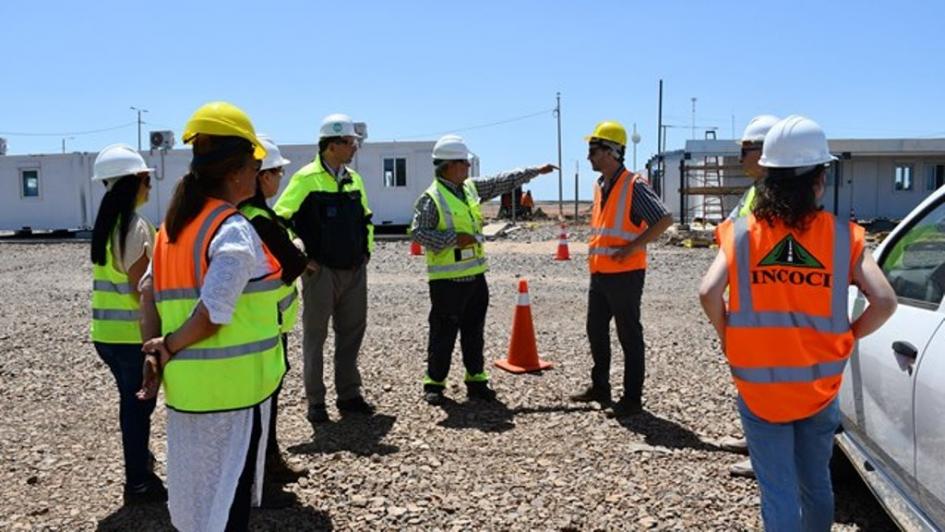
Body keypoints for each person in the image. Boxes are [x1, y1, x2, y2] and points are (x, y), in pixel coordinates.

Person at [699, 115, 897, 530]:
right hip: (818, 386)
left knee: (778, 492)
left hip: (759, 387)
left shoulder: (739, 233)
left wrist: (727, 335)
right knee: (816, 484)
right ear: (818, 180)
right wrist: (848, 336)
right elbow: (883, 301)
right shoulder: (845, 236)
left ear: (768, 178)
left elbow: (707, 292)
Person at [137, 101, 287, 531]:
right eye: (257, 165)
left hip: (189, 394)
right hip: (234, 396)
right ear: (238, 172)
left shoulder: (172, 229)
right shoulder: (232, 228)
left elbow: (147, 292)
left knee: (198, 503)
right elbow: (213, 312)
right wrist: (167, 346)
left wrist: (155, 352)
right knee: (227, 505)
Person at [410, 134, 555, 405]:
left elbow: (501, 181)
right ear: (449, 165)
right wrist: (454, 239)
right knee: (443, 332)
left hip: (475, 277)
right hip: (446, 281)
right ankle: (434, 383)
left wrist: (535, 171)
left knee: (474, 331)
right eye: (463, 162)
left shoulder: (469, 189)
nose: (468, 166)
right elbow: (418, 234)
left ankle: (476, 380)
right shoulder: (431, 198)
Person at [274, 113, 375, 427]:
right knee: (315, 338)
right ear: (332, 145)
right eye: (350, 142)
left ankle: (349, 395)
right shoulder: (305, 179)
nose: (355, 147)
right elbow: (278, 219)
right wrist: (301, 259)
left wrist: (365, 252)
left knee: (351, 334)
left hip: (354, 270)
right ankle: (316, 402)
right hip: (322, 273)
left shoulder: (353, 179)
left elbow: (366, 219)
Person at [570, 121, 673, 417]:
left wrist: (633, 247)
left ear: (612, 152)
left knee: (629, 334)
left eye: (593, 149)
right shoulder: (600, 185)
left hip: (626, 275)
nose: (589, 156)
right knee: (596, 331)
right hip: (600, 273)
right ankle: (600, 387)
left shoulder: (634, 185)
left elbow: (663, 220)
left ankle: (631, 399)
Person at [89, 143, 165, 504]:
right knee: (137, 409)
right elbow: (142, 291)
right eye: (146, 178)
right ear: (133, 181)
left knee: (131, 406)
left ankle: (140, 465)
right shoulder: (135, 228)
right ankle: (138, 482)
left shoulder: (107, 226)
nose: (150, 184)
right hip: (129, 338)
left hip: (104, 336)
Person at [237, 135, 310, 494]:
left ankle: (270, 464)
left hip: (265, 323)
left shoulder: (248, 214)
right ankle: (261, 480)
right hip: (263, 325)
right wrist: (297, 248)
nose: (280, 178)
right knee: (262, 405)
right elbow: (292, 263)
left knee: (266, 403)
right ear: (262, 176)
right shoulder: (258, 218)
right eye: (277, 172)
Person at [720, 114, 780, 478]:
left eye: (745, 149)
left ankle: (763, 457)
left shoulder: (774, 196)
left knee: (764, 383)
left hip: (761, 307)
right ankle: (753, 439)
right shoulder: (755, 191)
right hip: (745, 303)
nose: (740, 157)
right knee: (748, 381)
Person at [727, 115, 781, 220]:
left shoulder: (791, 196)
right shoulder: (754, 191)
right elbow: (729, 228)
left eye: (744, 152)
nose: (740, 159)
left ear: (765, 151)